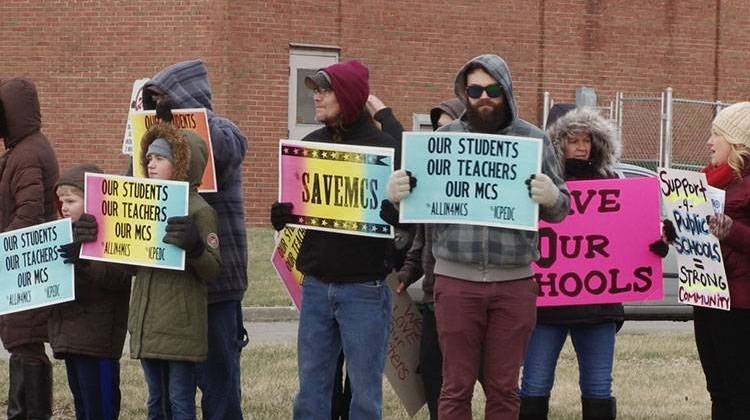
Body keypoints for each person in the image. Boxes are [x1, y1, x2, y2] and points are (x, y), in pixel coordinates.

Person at [387, 54, 569, 420]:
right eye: (474, 89)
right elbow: (413, 215)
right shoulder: (443, 140)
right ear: (464, 93)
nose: (483, 96)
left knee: (504, 388)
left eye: (492, 89)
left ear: (506, 90)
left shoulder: (533, 141)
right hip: (455, 282)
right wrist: (397, 196)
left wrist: (551, 196)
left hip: (515, 283)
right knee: (455, 387)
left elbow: (561, 208)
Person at [518, 106, 674, 420]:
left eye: (587, 139)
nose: (581, 146)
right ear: (557, 143)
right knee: (534, 384)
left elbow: (632, 237)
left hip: (599, 307)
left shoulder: (613, 183)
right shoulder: (536, 184)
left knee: (598, 386)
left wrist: (659, 239)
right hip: (546, 306)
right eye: (573, 139)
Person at [271, 60, 400, 420]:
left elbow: (406, 222)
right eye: (315, 89)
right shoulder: (309, 146)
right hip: (316, 286)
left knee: (364, 395)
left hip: (365, 290)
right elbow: (302, 206)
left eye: (325, 90)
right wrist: (283, 216)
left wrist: (396, 215)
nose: (317, 97)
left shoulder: (383, 149)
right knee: (311, 392)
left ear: (347, 95)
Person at [141, 59, 249, 419]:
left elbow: (219, 151)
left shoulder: (223, 132)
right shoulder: (157, 142)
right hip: (173, 288)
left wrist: (178, 130)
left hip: (217, 282)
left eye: (164, 99)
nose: (158, 108)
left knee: (219, 385)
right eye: (152, 101)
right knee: (174, 393)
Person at [393, 98, 465, 420]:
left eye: (450, 125)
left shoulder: (477, 186)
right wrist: (407, 275)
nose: (442, 132)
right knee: (433, 375)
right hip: (435, 298)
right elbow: (421, 241)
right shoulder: (428, 181)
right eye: (438, 127)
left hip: (470, 298)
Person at [51, 164, 132, 420]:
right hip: (71, 336)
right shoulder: (62, 236)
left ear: (93, 201)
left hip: (98, 340)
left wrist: (84, 259)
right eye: (61, 201)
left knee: (101, 407)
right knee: (83, 406)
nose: (63, 206)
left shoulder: (111, 234)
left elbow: (118, 278)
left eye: (71, 200)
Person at [0, 77, 60, 420]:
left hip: (26, 268)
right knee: (22, 342)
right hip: (24, 265)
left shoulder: (27, 154)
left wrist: (3, 249)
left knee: (25, 342)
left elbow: (30, 213)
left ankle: (27, 413)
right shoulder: (24, 150)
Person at [698, 102, 750, 419]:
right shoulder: (710, 181)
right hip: (707, 298)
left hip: (740, 306)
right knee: (717, 390)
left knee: (740, 392)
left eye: (717, 134)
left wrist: (731, 231)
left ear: (738, 142)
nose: (709, 142)